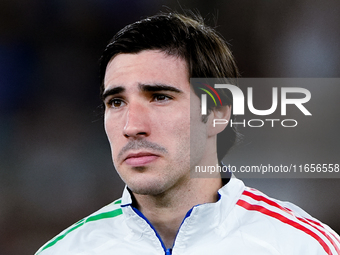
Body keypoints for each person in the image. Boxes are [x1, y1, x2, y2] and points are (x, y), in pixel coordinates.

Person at [35, 12, 340, 255]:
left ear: (218, 113)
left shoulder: (303, 246)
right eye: (116, 102)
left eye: (160, 97)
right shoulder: (66, 250)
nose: (131, 126)